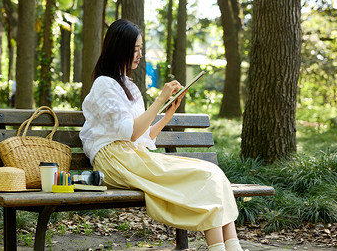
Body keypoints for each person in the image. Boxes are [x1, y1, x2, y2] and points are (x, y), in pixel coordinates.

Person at [79, 19, 245, 251]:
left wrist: (167, 114)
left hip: (132, 156)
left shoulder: (129, 86)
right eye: (135, 48)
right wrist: (159, 99)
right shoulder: (103, 85)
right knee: (205, 176)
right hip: (115, 160)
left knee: (213, 173)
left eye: (141, 48)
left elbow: (142, 136)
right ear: (120, 48)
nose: (139, 54)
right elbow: (132, 132)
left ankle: (232, 247)